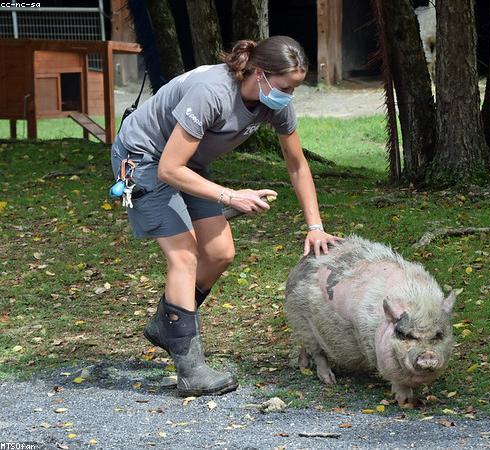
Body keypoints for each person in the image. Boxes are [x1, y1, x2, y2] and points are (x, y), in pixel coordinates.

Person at [109, 36, 342, 396]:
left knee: (219, 253)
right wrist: (230, 195)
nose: (289, 96)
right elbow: (169, 168)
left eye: (296, 88)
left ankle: (167, 324)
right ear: (260, 74)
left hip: (189, 164)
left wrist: (315, 226)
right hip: (143, 160)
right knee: (184, 255)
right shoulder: (212, 93)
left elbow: (296, 164)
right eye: (286, 87)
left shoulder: (274, 101)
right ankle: (190, 370)